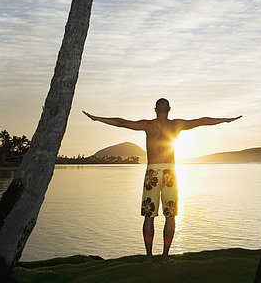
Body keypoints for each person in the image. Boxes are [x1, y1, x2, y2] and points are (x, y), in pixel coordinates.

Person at [83, 99, 241, 264]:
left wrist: (97, 118)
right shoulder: (176, 125)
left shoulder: (148, 125)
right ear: (169, 109)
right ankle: (165, 257)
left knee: (149, 216)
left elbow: (122, 123)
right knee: (170, 216)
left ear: (155, 109)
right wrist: (225, 120)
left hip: (152, 171)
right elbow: (201, 121)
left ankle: (149, 258)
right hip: (169, 172)